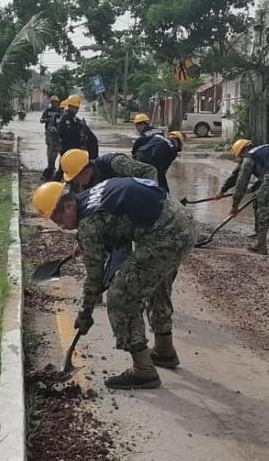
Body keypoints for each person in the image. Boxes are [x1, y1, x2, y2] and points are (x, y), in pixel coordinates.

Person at [32, 177, 196, 390]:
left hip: (164, 235)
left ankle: (143, 371)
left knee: (120, 295)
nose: (62, 226)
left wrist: (85, 312)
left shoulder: (89, 223)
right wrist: (89, 243)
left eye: (59, 219)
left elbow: (94, 277)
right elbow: (116, 221)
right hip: (182, 224)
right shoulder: (89, 198)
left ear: (69, 205)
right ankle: (164, 351)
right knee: (156, 283)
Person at [220, 154, 269, 240]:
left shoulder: (249, 159)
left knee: (258, 202)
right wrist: (253, 188)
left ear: (242, 152)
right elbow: (266, 176)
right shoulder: (262, 155)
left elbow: (238, 179)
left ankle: (259, 233)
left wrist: (234, 205)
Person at [61, 148, 156, 190]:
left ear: (86, 171)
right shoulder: (85, 182)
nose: (77, 183)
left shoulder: (116, 163)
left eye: (76, 179)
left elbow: (149, 171)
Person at [40, 95, 62, 180]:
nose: (54, 104)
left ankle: (52, 167)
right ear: (51, 103)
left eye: (56, 102)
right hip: (49, 133)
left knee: (55, 150)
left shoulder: (59, 111)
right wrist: (47, 120)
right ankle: (50, 165)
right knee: (50, 148)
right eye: (53, 102)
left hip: (57, 133)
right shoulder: (47, 111)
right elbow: (41, 120)